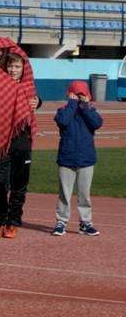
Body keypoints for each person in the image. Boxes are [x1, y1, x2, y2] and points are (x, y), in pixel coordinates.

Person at [0, 36, 40, 239]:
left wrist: (39, 101)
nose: (13, 70)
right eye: (10, 66)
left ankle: (13, 222)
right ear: (5, 67)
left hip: (22, 140)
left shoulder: (28, 86)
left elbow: (32, 104)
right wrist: (3, 46)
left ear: (23, 68)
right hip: (2, 141)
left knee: (19, 185)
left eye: (17, 66)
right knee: (0, 182)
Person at [52, 81, 103, 237]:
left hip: (86, 159)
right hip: (67, 158)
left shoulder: (91, 111)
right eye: (76, 94)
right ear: (70, 95)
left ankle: (85, 223)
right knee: (64, 194)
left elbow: (97, 123)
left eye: (82, 94)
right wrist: (72, 104)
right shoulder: (63, 111)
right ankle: (61, 222)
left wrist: (85, 107)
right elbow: (62, 121)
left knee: (84, 194)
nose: (79, 97)